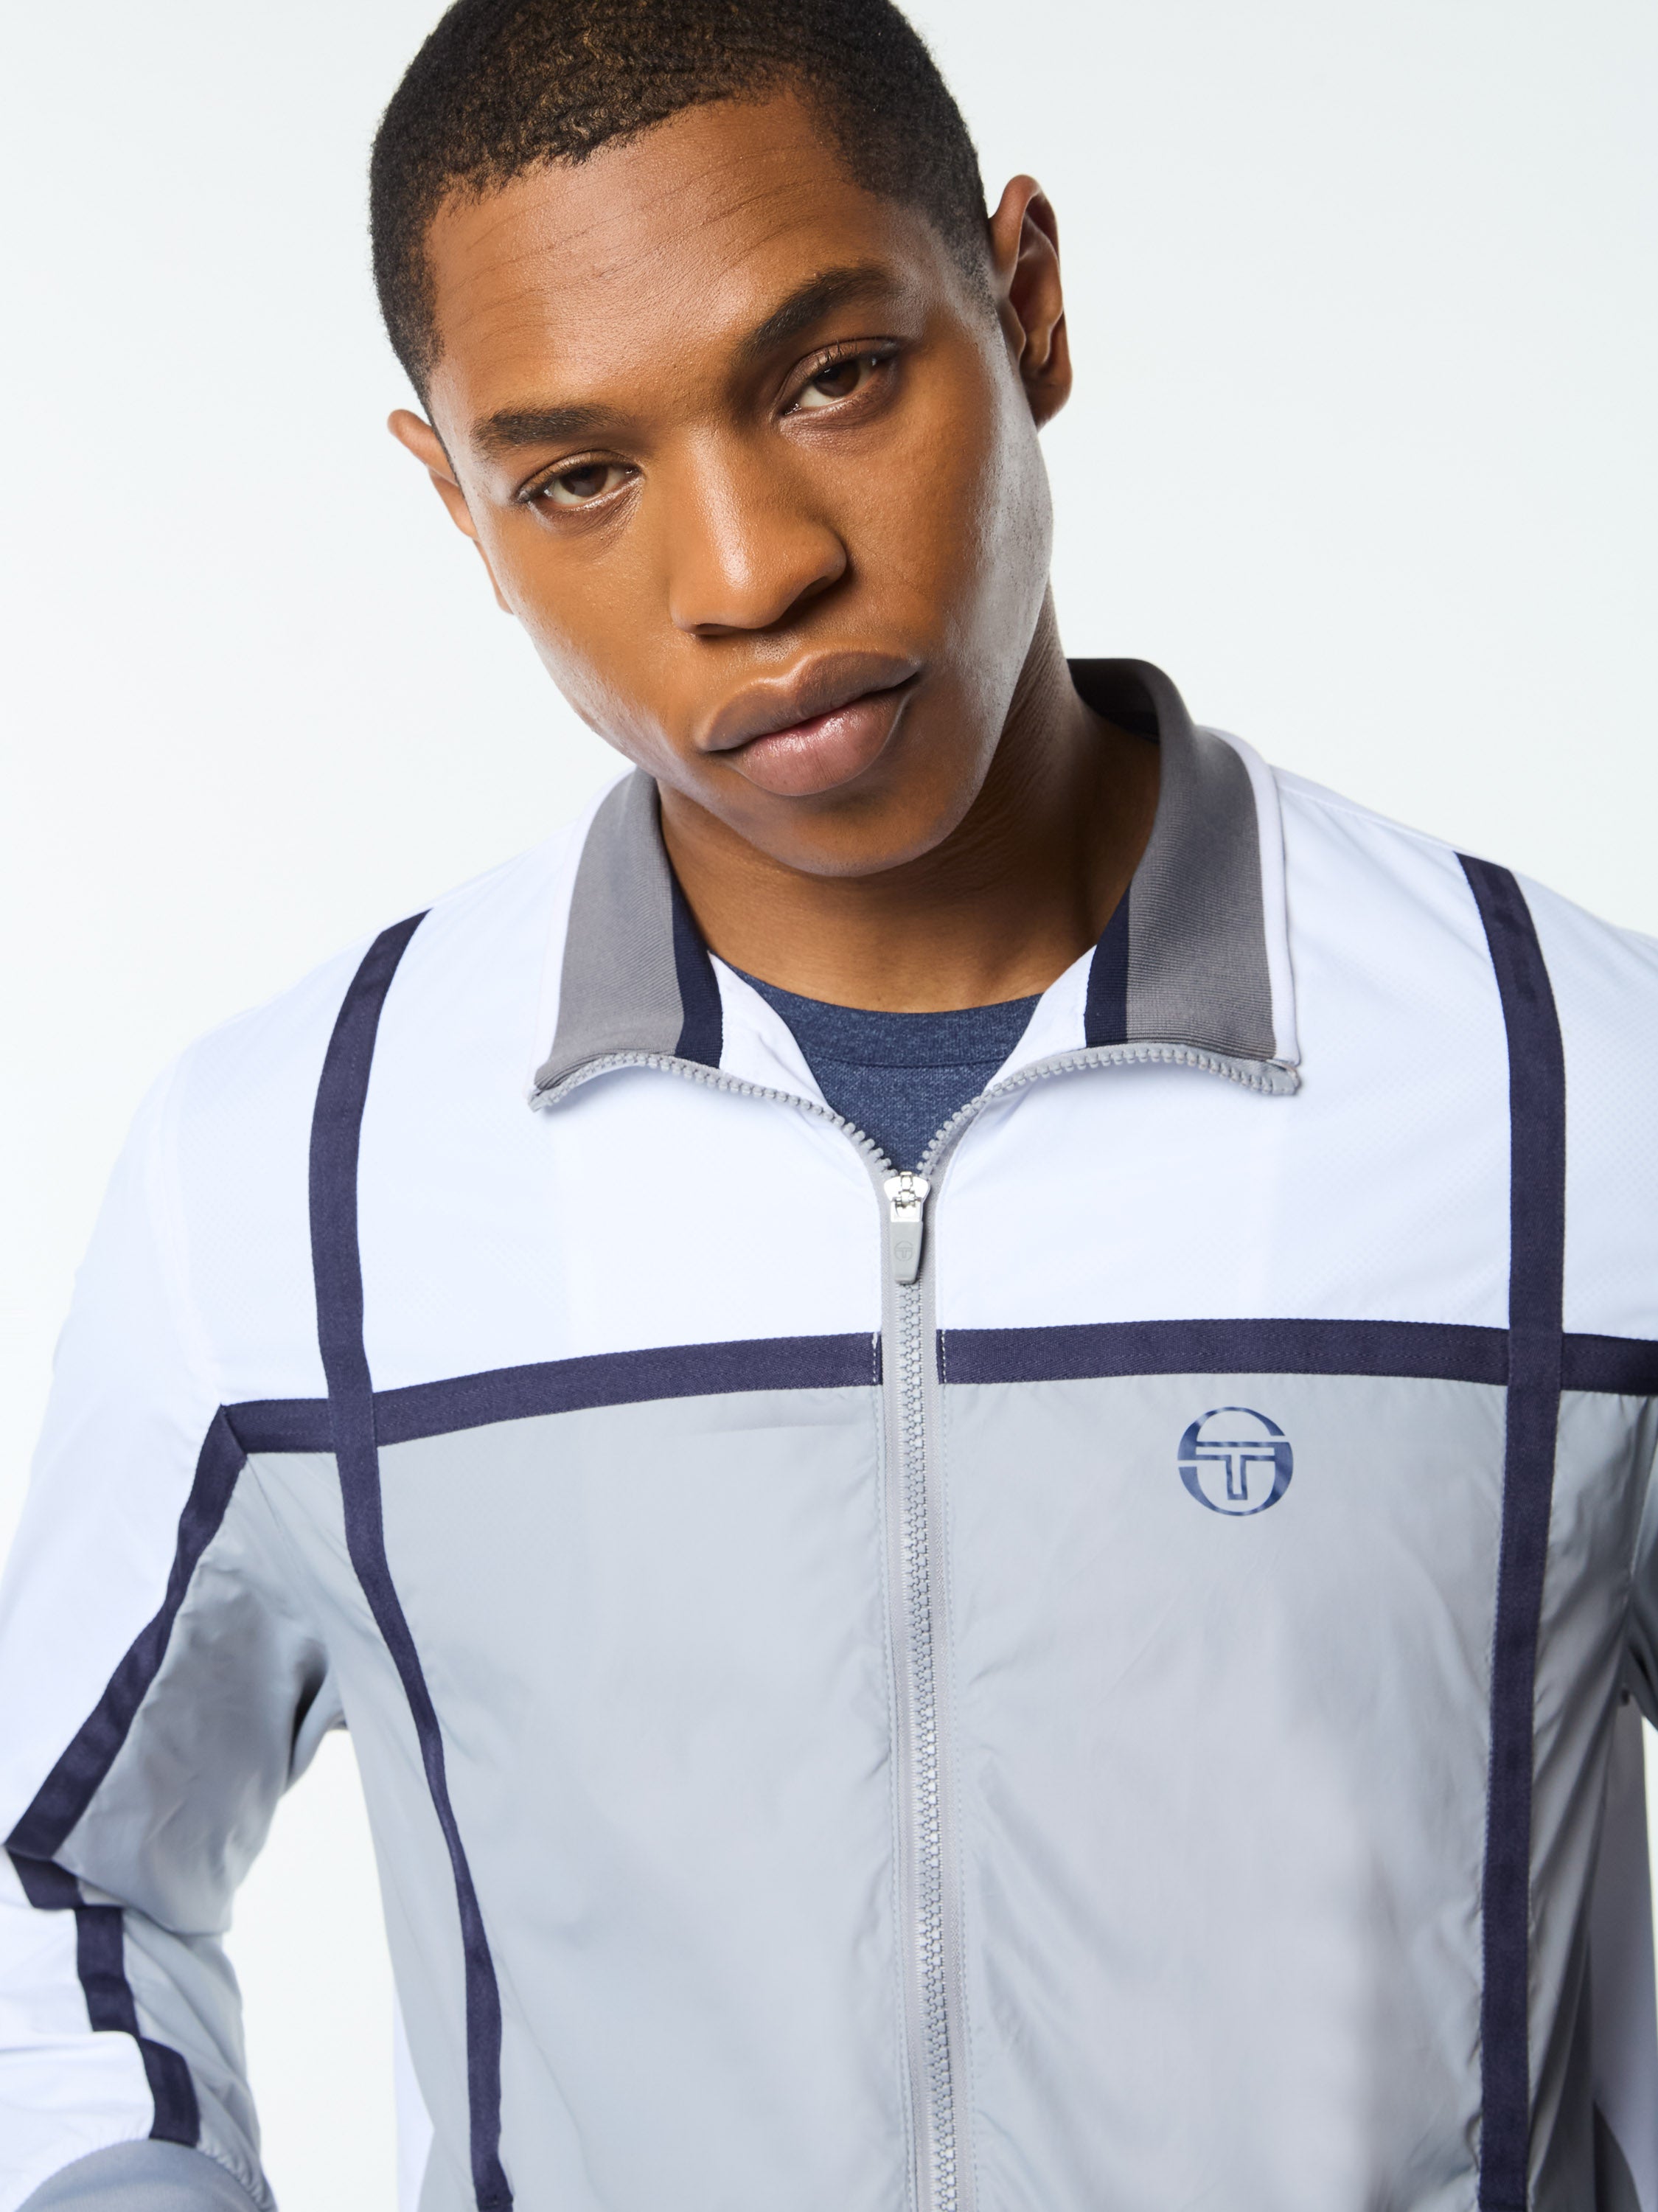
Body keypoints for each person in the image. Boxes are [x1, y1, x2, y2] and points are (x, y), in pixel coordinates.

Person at [2, 0, 1656, 2205]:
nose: (748, 571)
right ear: (457, 504)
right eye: (577, 477)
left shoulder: (1582, 1094)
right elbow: (58, 1879)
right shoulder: (291, 1174)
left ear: (1026, 303)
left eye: (833, 377)